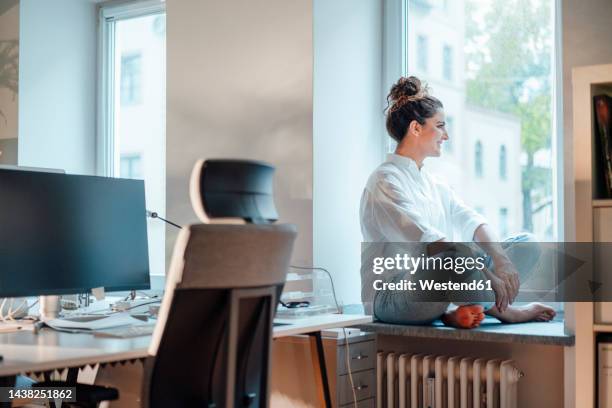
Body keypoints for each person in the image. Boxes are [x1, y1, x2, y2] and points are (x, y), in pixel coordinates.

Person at [360, 76, 556, 329]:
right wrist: (488, 276)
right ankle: (503, 311)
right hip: (393, 296)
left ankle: (462, 306)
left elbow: (472, 221)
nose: (446, 135)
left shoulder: (434, 183)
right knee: (453, 256)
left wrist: (500, 260)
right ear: (416, 128)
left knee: (526, 244)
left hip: (444, 283)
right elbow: (438, 248)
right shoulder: (384, 182)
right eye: (440, 126)